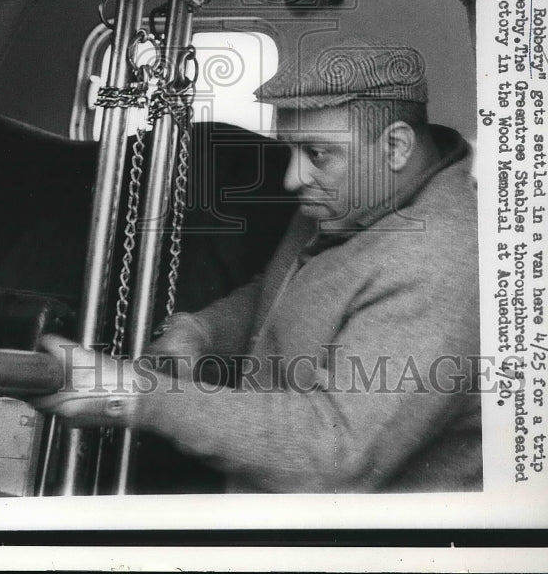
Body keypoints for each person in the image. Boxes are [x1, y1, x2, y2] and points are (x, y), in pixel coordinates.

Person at [37, 35, 481, 494]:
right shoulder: (353, 196)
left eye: (316, 154)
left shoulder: (442, 261)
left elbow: (332, 457)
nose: (292, 178)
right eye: (291, 150)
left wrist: (134, 397)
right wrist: (202, 333)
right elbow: (280, 291)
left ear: (395, 148)